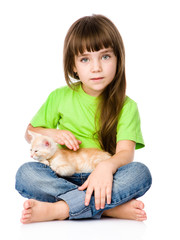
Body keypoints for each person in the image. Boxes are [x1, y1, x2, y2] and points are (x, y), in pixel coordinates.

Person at [15, 14, 152, 224]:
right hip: (61, 174)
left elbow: (125, 153)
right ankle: (107, 209)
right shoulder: (59, 96)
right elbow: (30, 131)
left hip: (104, 178)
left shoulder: (127, 106)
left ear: (118, 59)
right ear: (73, 66)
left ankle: (61, 209)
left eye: (105, 56)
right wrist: (54, 133)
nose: (96, 67)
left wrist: (105, 168)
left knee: (140, 174)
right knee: (26, 174)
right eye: (85, 59)